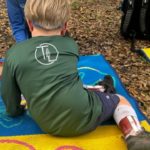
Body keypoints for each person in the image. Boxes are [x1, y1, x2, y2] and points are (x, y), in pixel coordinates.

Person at [1, 0, 150, 149]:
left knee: (59, 87)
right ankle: (135, 135)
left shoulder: (14, 55)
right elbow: (60, 79)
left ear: (29, 23)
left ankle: (102, 89)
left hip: (46, 123)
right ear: (65, 26)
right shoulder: (70, 46)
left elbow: (8, 94)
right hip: (83, 114)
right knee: (120, 100)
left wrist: (15, 110)